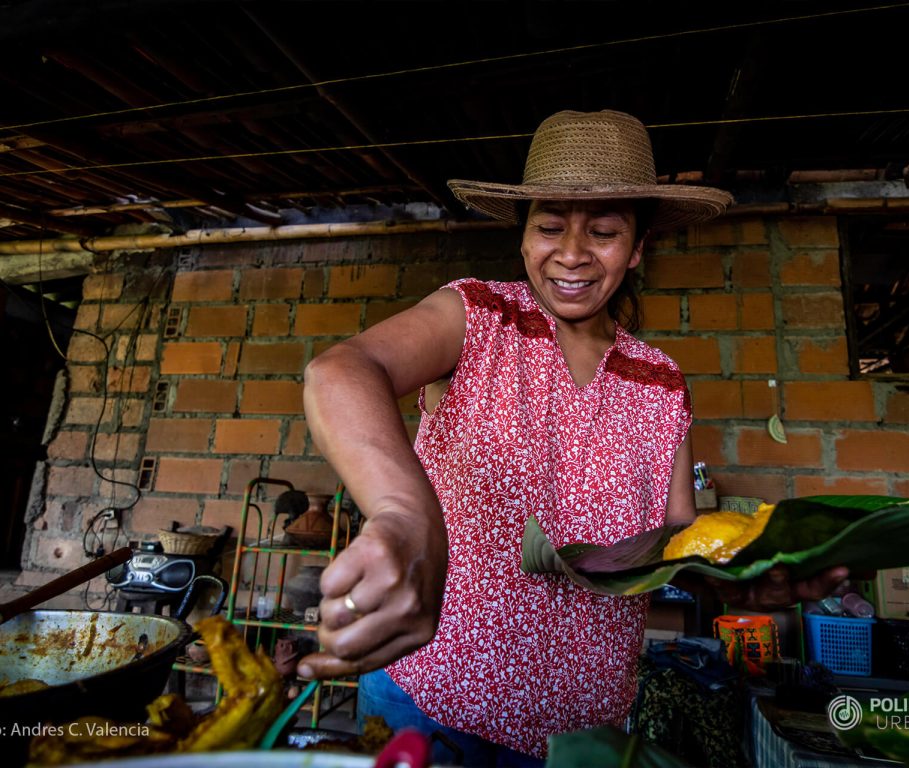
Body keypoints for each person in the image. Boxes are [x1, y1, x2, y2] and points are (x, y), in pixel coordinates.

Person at [298, 110, 848, 765]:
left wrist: (739, 578)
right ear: (524, 238)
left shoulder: (662, 383)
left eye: (606, 231)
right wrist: (402, 514)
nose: (572, 253)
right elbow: (340, 372)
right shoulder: (479, 317)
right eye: (549, 226)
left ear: (638, 247)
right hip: (428, 698)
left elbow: (676, 538)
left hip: (579, 734)